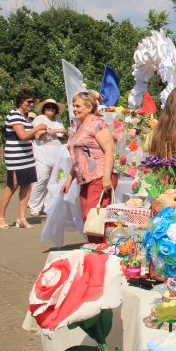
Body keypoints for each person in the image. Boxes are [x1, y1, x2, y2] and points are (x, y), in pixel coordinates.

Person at [61, 91, 117, 242]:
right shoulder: (80, 127)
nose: (75, 109)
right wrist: (69, 180)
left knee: (95, 215)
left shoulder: (97, 124)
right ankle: (95, 247)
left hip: (100, 175)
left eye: (78, 106)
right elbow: (79, 158)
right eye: (74, 106)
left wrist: (106, 178)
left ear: (89, 107)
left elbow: (109, 150)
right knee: (88, 218)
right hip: (85, 179)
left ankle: (103, 249)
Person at [0, 89, 47, 229]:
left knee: (27, 185)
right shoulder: (14, 115)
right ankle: (0, 217)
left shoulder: (25, 116)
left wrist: (40, 135)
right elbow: (22, 135)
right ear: (21, 101)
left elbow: (29, 136)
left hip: (27, 155)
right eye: (29, 101)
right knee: (12, 185)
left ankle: (21, 217)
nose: (31, 104)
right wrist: (37, 128)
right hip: (15, 156)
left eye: (33, 102)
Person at [29, 99, 68, 216]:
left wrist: (64, 135)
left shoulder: (58, 120)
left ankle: (48, 205)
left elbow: (60, 135)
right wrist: (58, 130)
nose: (50, 109)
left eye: (53, 107)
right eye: (48, 107)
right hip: (42, 153)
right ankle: (34, 206)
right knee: (41, 179)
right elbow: (39, 133)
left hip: (56, 153)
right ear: (44, 109)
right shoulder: (40, 119)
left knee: (52, 181)